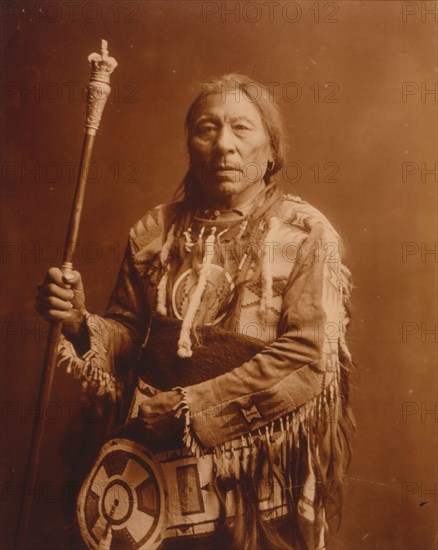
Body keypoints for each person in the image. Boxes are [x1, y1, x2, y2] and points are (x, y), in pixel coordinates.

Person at [35, 74, 355, 550]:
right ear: (190, 143)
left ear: (271, 151)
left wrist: (192, 408)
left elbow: (309, 357)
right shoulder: (155, 232)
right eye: (207, 128)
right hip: (155, 473)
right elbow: (130, 335)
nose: (223, 144)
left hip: (255, 478)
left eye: (241, 129)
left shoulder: (306, 234)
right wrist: (81, 322)